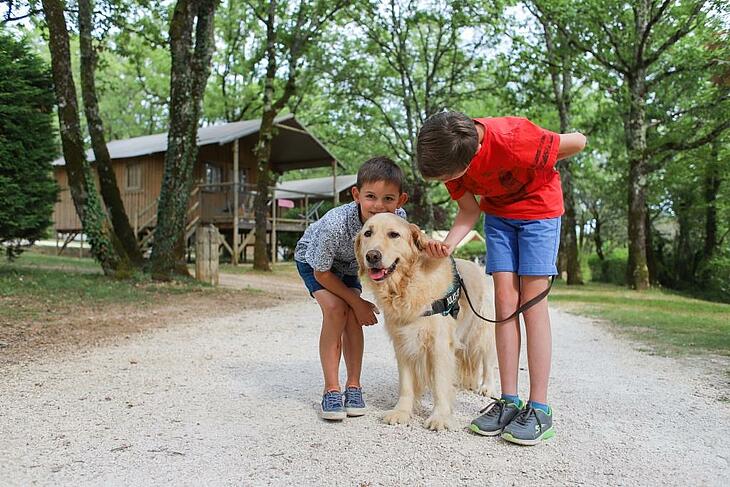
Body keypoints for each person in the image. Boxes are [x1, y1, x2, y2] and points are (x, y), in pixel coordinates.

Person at [417, 111, 586, 445]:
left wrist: (546, 153)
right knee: (505, 304)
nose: (446, 182)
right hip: (499, 218)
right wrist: (448, 245)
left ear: (473, 155)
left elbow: (578, 141)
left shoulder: (514, 138)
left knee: (532, 304)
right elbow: (469, 210)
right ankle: (509, 401)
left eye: (448, 177)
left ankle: (540, 408)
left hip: (539, 212)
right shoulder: (450, 151)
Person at [294, 156, 408, 421]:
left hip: (347, 267)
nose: (379, 206)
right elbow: (321, 272)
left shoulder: (398, 220)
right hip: (316, 264)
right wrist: (357, 302)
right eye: (371, 196)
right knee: (337, 309)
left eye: (388, 199)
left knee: (352, 317)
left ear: (400, 201)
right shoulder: (336, 225)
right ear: (356, 195)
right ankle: (331, 389)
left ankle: (353, 386)